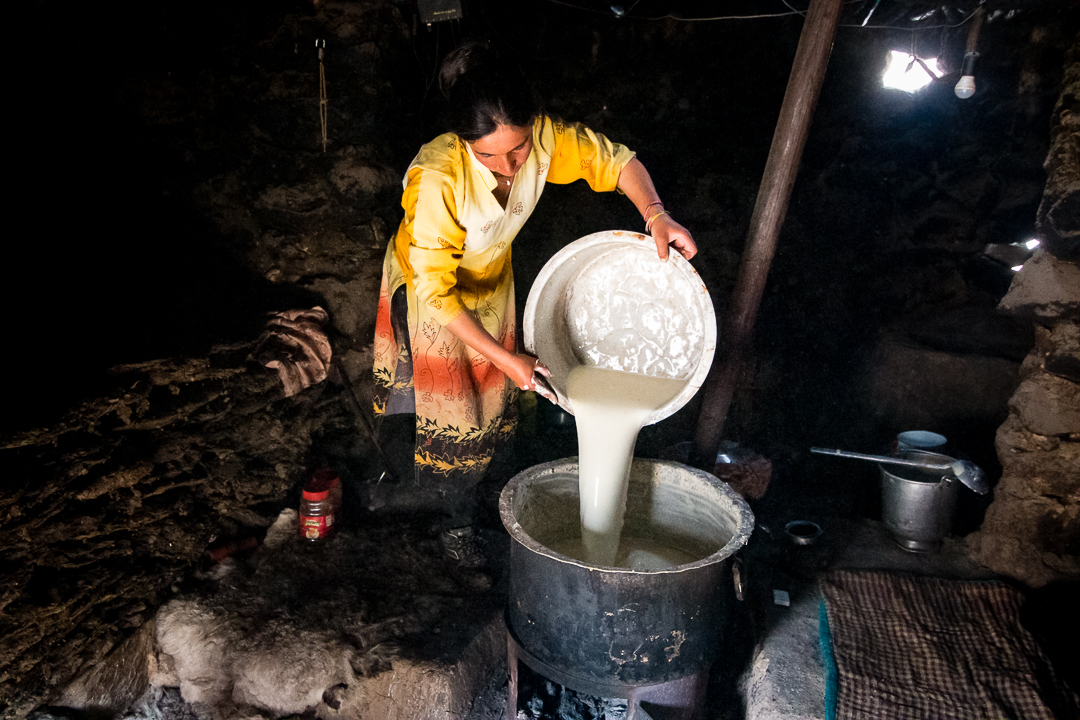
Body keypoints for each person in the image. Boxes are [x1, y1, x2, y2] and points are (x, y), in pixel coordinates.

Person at [371, 42, 696, 564]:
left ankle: (492, 495)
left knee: (495, 401)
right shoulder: (437, 178)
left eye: (517, 150)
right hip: (434, 298)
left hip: (491, 280)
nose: (507, 167)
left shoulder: (546, 140)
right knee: (451, 411)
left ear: (534, 125)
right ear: (463, 141)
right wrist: (506, 358)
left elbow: (615, 162)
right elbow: (436, 291)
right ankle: (448, 518)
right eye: (487, 155)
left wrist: (655, 214)